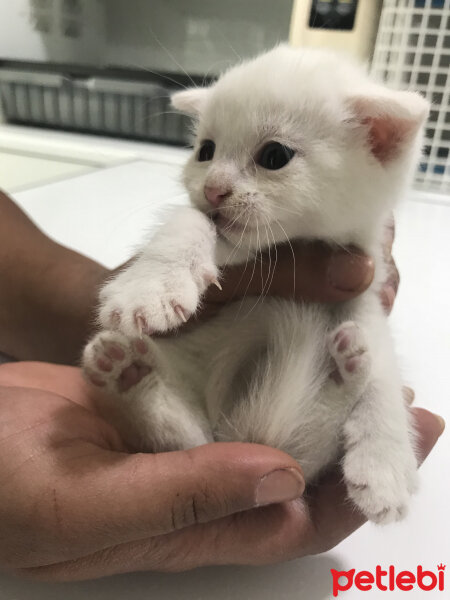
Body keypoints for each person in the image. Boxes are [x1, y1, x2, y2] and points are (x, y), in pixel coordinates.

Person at [0, 189, 444, 580]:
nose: (216, 185)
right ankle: (161, 404)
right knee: (193, 377)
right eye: (207, 149)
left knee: (338, 367)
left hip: (263, 395)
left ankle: (321, 394)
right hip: (213, 375)